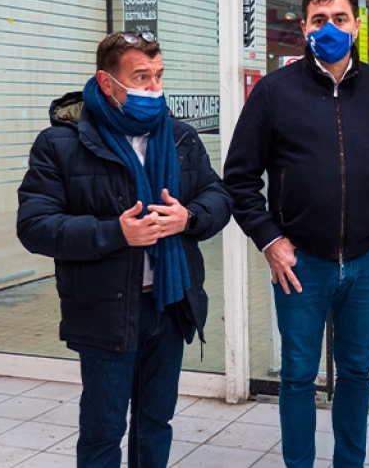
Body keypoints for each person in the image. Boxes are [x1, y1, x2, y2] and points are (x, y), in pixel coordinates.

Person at [223, 0, 369, 468]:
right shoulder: (275, 92)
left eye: (339, 18)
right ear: (303, 28)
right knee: (296, 376)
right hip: (301, 265)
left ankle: (349, 463)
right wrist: (270, 240)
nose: (330, 28)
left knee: (356, 371)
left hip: (365, 262)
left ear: (357, 25)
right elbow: (239, 178)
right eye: (319, 20)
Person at [17, 31, 232, 468]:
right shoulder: (62, 143)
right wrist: (115, 233)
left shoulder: (180, 137)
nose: (155, 89)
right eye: (141, 78)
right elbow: (35, 226)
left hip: (170, 306)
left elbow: (218, 196)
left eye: (158, 76)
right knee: (103, 430)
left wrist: (187, 218)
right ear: (108, 82)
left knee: (156, 422)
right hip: (105, 310)